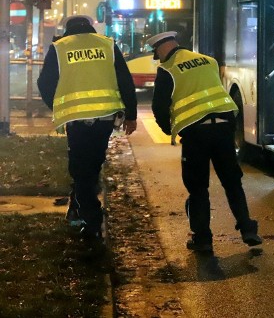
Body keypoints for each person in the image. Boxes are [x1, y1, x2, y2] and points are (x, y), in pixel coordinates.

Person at [147, 31, 262, 254]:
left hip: (196, 134)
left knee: (198, 187)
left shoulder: (167, 69)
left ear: (161, 49)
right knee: (232, 181)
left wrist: (170, 129)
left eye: (156, 54)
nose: (158, 59)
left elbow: (158, 108)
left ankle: (203, 239)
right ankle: (248, 229)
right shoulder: (208, 61)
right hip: (223, 127)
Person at [37, 15, 138, 246]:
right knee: (92, 165)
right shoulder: (107, 44)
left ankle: (91, 219)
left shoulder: (60, 47)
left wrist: (57, 106)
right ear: (90, 27)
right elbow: (125, 81)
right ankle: (86, 210)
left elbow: (44, 83)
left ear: (67, 30)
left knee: (80, 169)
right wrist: (130, 115)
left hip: (76, 120)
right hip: (105, 119)